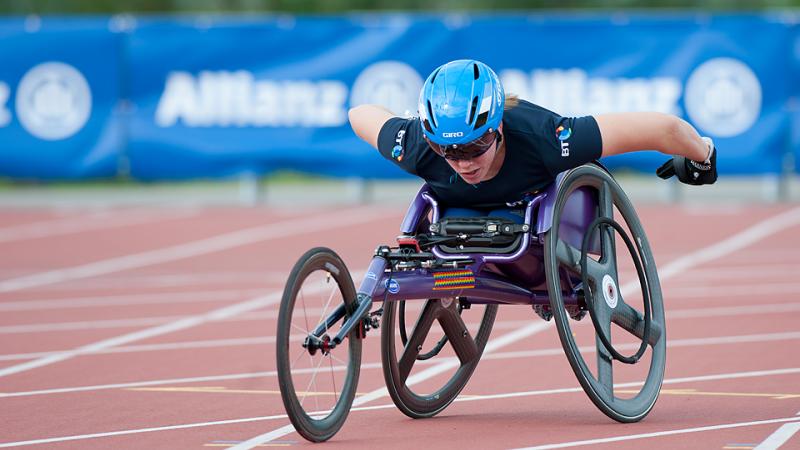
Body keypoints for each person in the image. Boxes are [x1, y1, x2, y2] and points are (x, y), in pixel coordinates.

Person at [348, 59, 717, 213]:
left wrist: (702, 154)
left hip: (537, 200)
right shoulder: (418, 146)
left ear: (498, 128)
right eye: (447, 149)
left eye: (475, 146)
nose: (462, 161)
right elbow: (359, 113)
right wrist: (417, 131)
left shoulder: (549, 140)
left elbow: (663, 128)